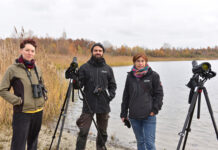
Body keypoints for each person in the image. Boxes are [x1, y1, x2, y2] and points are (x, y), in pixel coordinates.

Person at [0, 39, 47, 150]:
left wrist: (44, 96)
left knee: (33, 144)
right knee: (18, 145)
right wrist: (18, 101)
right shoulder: (12, 69)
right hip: (22, 113)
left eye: (32, 51)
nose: (30, 53)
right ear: (21, 50)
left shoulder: (37, 69)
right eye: (27, 50)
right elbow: (2, 90)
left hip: (38, 112)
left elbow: (42, 85)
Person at [75, 43, 117, 150]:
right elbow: (78, 86)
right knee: (83, 132)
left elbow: (113, 85)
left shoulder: (108, 69)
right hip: (88, 105)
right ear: (92, 52)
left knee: (102, 133)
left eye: (100, 51)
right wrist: (74, 79)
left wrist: (109, 96)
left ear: (103, 53)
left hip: (103, 105)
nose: (98, 52)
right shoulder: (85, 67)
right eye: (95, 50)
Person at [120, 53, 163, 150]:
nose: (140, 63)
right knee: (140, 142)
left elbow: (159, 94)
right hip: (134, 116)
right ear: (134, 62)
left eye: (142, 61)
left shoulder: (154, 75)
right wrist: (123, 113)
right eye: (138, 61)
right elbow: (126, 96)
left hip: (149, 116)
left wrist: (154, 110)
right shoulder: (130, 76)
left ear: (146, 62)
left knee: (150, 143)